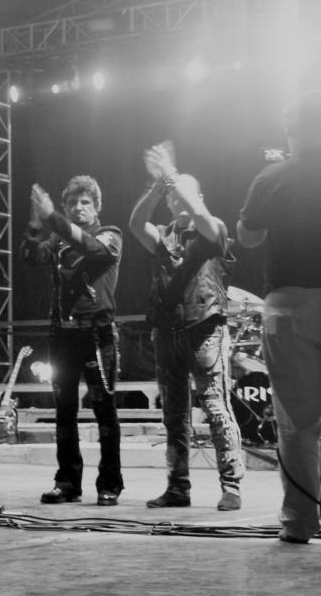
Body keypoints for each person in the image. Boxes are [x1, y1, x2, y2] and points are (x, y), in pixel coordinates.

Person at [128, 142, 244, 511]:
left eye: (183, 193)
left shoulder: (213, 229)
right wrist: (157, 186)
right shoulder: (162, 236)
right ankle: (178, 487)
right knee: (174, 415)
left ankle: (231, 486)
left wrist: (173, 177)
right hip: (168, 331)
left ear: (198, 197)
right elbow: (135, 224)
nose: (177, 198)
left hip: (204, 329)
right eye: (171, 195)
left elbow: (200, 215)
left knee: (215, 407)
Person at [237, 90, 321, 544]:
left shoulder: (271, 177)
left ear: (290, 128)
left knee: (297, 423)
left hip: (289, 307)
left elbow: (248, 238)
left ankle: (300, 521)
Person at [20, 176, 123, 506]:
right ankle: (67, 482)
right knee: (64, 412)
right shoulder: (57, 239)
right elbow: (29, 257)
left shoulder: (110, 235)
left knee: (104, 411)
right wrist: (35, 225)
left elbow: (92, 249)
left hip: (98, 333)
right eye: (72, 203)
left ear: (97, 207)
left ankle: (110, 483)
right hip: (62, 333)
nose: (78, 208)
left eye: (85, 202)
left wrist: (52, 217)